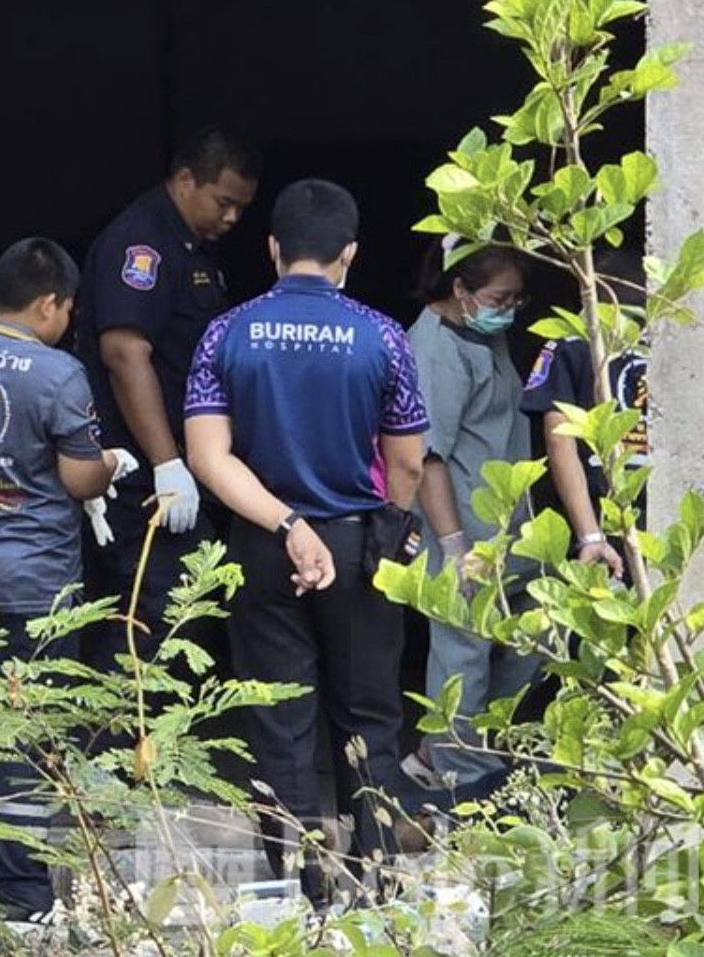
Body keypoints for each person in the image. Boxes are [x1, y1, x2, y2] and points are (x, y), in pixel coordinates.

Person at [183, 178, 428, 906]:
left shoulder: (227, 332)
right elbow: (409, 462)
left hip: (263, 545)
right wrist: (389, 525)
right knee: (369, 714)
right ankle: (379, 878)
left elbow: (207, 457)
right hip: (359, 548)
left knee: (277, 714)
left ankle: (291, 883)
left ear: (271, 248)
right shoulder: (382, 335)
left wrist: (287, 525)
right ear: (349, 253)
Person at [0, 238, 130, 934]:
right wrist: (112, 463)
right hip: (32, 585)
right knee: (25, 740)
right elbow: (78, 478)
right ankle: (22, 894)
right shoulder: (59, 374)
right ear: (48, 304)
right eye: (67, 309)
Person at [75, 128, 260, 669]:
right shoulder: (143, 244)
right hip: (140, 472)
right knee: (156, 612)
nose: (232, 218)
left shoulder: (195, 248)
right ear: (185, 180)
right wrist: (166, 464)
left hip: (181, 464)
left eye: (241, 208)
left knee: (185, 607)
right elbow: (124, 353)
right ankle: (123, 721)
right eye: (223, 202)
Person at [400, 239, 538, 797]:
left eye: (516, 299)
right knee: (464, 653)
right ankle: (463, 780)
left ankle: (444, 748)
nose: (509, 310)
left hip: (507, 528)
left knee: (537, 630)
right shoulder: (433, 349)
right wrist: (454, 544)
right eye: (500, 298)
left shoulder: (482, 333)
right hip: (460, 526)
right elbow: (428, 458)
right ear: (459, 289)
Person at [520, 248, 648, 576]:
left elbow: (559, 440)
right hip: (658, 514)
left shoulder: (569, 344)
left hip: (601, 516)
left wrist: (589, 535)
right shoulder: (673, 339)